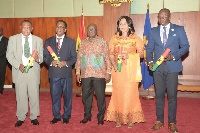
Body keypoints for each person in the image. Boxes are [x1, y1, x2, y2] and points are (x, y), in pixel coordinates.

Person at [146, 8, 190, 133]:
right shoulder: (153, 31)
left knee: (172, 96)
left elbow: (186, 46)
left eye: (164, 16)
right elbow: (149, 49)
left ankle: (172, 122)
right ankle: (159, 120)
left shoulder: (178, 29)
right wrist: (150, 61)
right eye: (160, 17)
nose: (162, 18)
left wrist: (174, 55)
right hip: (157, 68)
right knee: (159, 96)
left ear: (169, 17)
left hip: (173, 67)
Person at [105, 16, 146, 128]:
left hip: (131, 70)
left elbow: (142, 54)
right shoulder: (114, 38)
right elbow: (110, 54)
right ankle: (118, 117)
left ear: (129, 25)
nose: (122, 26)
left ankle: (130, 118)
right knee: (118, 93)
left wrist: (129, 56)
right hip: (118, 71)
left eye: (124, 24)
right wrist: (114, 66)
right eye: (120, 24)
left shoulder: (135, 38)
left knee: (130, 93)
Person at [6, 20, 43, 127]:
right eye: (24, 27)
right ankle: (21, 117)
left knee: (34, 95)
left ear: (32, 28)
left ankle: (34, 116)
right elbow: (9, 55)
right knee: (20, 96)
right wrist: (18, 65)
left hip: (33, 71)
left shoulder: (38, 40)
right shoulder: (13, 39)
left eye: (28, 27)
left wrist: (38, 58)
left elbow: (42, 58)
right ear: (20, 27)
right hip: (19, 71)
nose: (26, 29)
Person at [75, 23, 111, 125]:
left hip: (99, 74)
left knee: (100, 97)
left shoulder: (102, 42)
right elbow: (79, 59)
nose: (90, 31)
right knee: (86, 96)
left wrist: (108, 72)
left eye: (92, 29)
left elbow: (107, 58)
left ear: (96, 31)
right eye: (89, 29)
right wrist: (78, 73)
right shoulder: (82, 43)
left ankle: (100, 117)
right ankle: (87, 115)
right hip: (86, 74)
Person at [43, 20, 77, 125]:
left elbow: (74, 58)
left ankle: (66, 116)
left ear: (65, 30)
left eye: (62, 27)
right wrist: (51, 62)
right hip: (54, 73)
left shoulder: (71, 42)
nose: (59, 28)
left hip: (66, 73)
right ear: (55, 28)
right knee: (55, 96)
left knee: (67, 96)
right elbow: (45, 56)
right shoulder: (48, 41)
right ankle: (56, 116)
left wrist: (65, 63)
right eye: (58, 26)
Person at [0, 27, 8, 94]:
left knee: (1, 75)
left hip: (2, 61)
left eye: (0, 30)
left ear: (2, 32)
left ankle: (0, 89)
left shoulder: (6, 40)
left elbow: (6, 50)